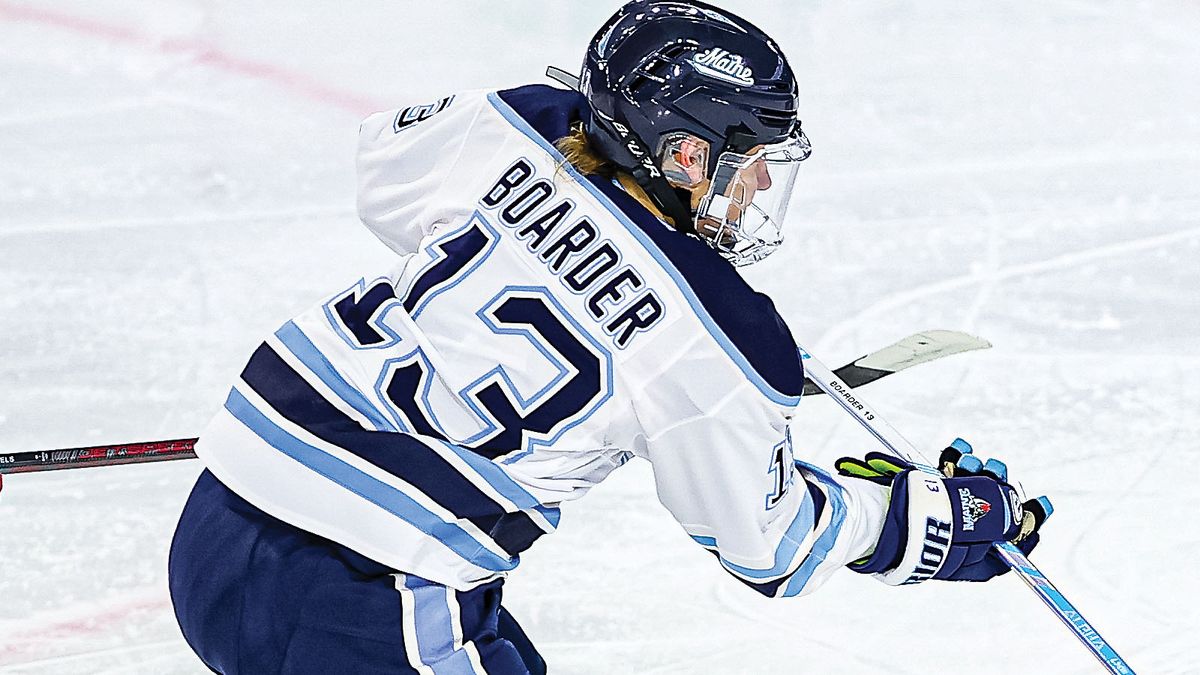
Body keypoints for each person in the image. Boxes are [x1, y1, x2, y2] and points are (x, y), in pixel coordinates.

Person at [168, 1, 1052, 672]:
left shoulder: (516, 125)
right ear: (683, 154)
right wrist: (913, 519)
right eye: (744, 165)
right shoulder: (716, 344)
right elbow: (773, 547)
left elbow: (382, 176)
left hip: (214, 521)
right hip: (369, 600)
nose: (750, 195)